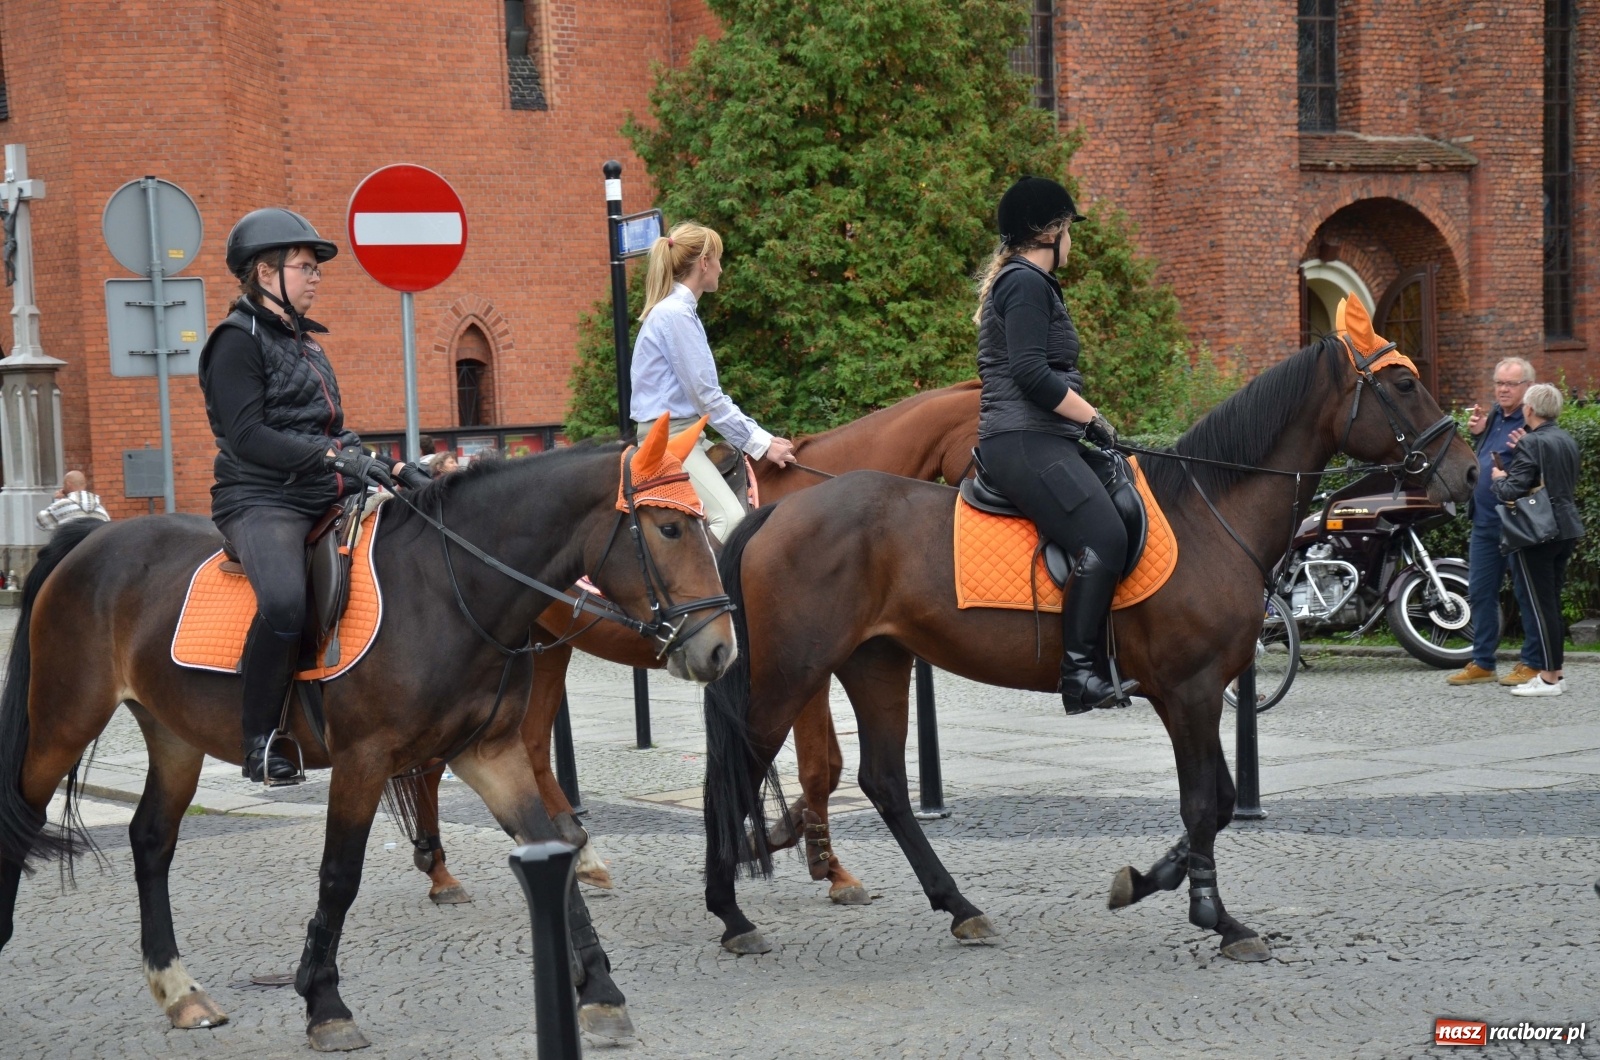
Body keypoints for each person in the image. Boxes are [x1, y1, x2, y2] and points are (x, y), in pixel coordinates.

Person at [198, 207, 428, 783]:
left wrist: (391, 467)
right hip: (261, 498)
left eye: (315, 268)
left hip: (323, 490)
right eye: (304, 266)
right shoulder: (235, 341)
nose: (315, 276)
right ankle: (260, 740)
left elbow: (332, 431)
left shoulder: (308, 345)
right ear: (265, 272)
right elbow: (248, 436)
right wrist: (331, 458)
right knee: (283, 601)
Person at [972, 175, 1133, 715]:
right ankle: (1079, 673)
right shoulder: (1025, 284)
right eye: (1070, 231)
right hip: (1023, 440)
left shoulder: (1027, 282)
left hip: (1043, 436)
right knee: (1104, 537)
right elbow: (1030, 373)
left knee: (1126, 495)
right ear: (1052, 232)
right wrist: (1094, 418)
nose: (1072, 242)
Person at [629, 221, 795, 540]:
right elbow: (707, 398)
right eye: (718, 259)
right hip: (669, 440)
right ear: (704, 263)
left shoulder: (678, 312)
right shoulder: (675, 315)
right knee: (731, 521)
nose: (721, 268)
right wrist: (761, 443)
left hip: (688, 433)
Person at [1448, 357, 1546, 686]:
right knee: (1479, 592)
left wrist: (1529, 446)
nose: (1503, 389)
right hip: (1486, 521)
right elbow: (1487, 459)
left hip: (1519, 522)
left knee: (1525, 593)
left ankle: (1533, 663)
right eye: (1499, 383)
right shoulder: (1492, 416)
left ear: (1527, 387)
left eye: (1511, 384)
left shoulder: (1533, 421)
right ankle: (1483, 662)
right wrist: (1477, 435)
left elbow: (1543, 466)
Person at [1490, 383, 1583, 697]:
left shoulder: (1531, 442)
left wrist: (1499, 479)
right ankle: (1556, 673)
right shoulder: (1566, 439)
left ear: (1529, 409)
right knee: (1551, 603)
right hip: (1566, 527)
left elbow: (1511, 490)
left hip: (1538, 531)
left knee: (1540, 606)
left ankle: (1548, 679)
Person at [35, 469, 111, 529]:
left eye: (63, 484)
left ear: (68, 484)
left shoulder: (63, 505)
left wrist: (56, 501)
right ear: (84, 485)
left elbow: (41, 523)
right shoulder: (100, 509)